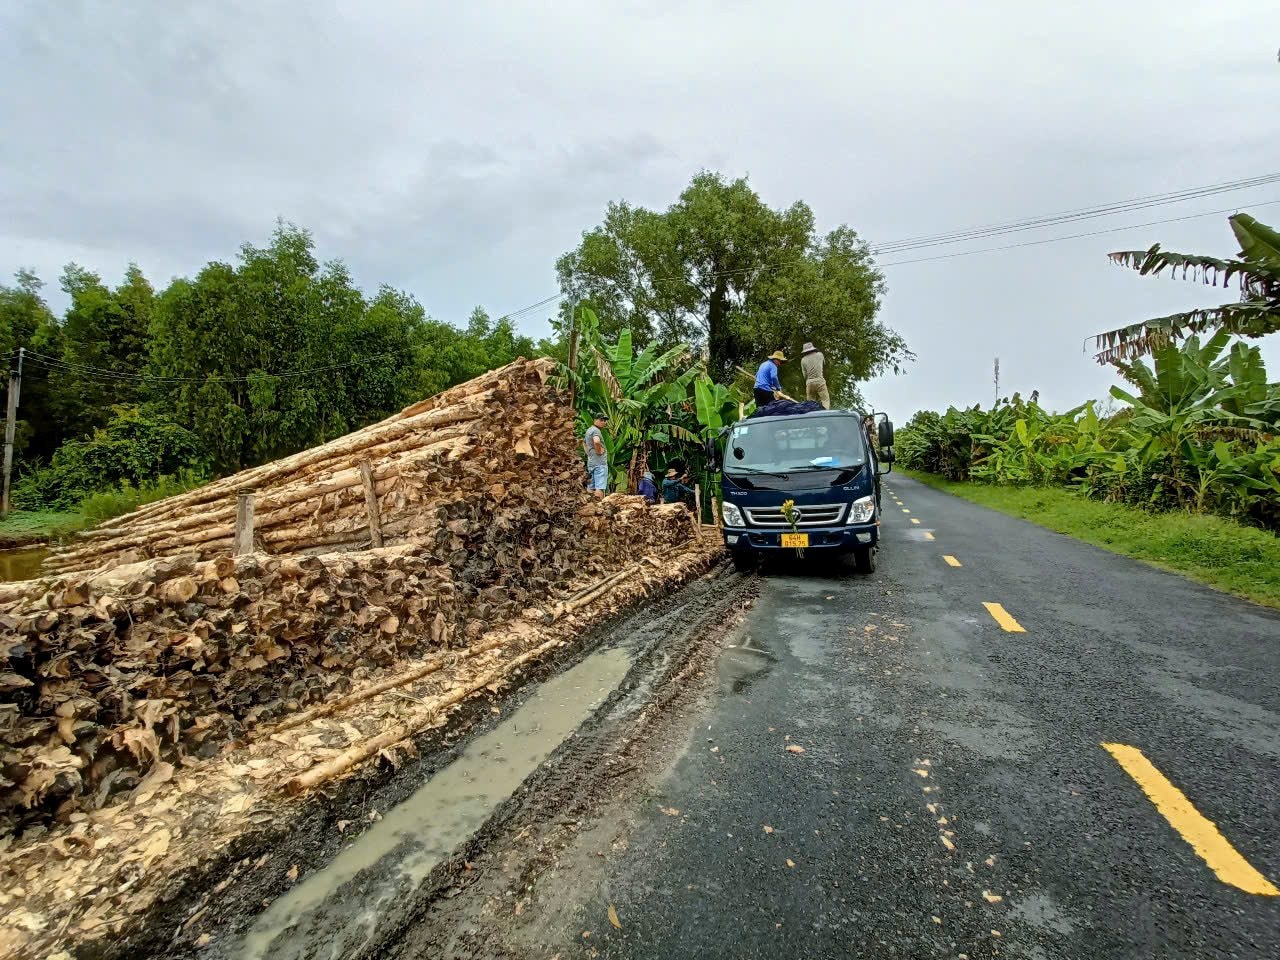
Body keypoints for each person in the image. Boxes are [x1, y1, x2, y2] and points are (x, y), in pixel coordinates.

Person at [583, 414, 609, 498]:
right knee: (600, 487)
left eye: (604, 420)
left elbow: (583, 442)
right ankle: (599, 508)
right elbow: (597, 441)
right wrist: (599, 451)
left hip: (591, 462)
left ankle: (590, 506)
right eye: (601, 420)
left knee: (591, 487)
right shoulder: (596, 431)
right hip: (599, 463)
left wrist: (588, 453)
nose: (603, 422)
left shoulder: (589, 430)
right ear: (595, 420)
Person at [800, 341, 829, 409]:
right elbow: (823, 365)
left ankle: (811, 415)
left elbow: (804, 375)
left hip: (809, 382)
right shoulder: (820, 355)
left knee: (810, 404)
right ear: (813, 348)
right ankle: (826, 413)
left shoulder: (803, 360)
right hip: (820, 381)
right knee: (825, 400)